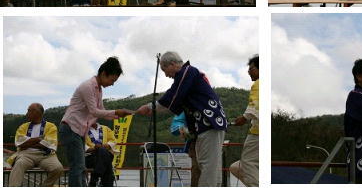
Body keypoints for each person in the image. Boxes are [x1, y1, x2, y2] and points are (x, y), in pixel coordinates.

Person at [136, 51, 228, 186]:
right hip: (205, 125)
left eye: (165, 70)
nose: (166, 75)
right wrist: (154, 109)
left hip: (209, 123)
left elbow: (173, 95)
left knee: (208, 167)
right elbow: (175, 101)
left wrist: (151, 107)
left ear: (173, 64)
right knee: (209, 166)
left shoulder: (188, 71)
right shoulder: (187, 76)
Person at [59, 56, 132, 187]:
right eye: (112, 79)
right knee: (78, 166)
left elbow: (101, 111)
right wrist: (117, 112)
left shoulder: (98, 89)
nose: (112, 83)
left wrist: (120, 116)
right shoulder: (88, 86)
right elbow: (94, 111)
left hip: (78, 131)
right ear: (104, 74)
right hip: (71, 128)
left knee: (80, 167)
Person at [7, 103, 63, 187]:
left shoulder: (51, 126)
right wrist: (39, 139)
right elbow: (19, 143)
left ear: (37, 113)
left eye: (29, 111)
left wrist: (28, 143)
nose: (27, 113)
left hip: (46, 155)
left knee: (58, 168)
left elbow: (48, 144)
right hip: (26, 155)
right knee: (19, 164)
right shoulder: (23, 126)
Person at [230, 55, 259, 186]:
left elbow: (255, 106)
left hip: (257, 133)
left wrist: (243, 118)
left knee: (247, 163)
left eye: (251, 68)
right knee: (236, 167)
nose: (248, 71)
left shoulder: (258, 84)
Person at [84, 122, 118, 187]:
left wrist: (104, 146)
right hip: (91, 156)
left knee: (102, 150)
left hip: (105, 153)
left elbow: (113, 141)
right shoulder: (83, 130)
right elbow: (81, 144)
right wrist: (93, 148)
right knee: (107, 163)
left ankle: (95, 177)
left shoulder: (105, 128)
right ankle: (106, 184)